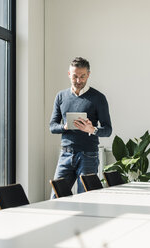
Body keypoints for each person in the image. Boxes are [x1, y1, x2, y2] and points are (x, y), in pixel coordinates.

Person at [50, 57, 112, 197]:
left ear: (88, 74)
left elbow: (108, 130)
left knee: (86, 199)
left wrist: (93, 130)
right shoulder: (61, 96)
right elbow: (52, 126)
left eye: (82, 76)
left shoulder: (98, 98)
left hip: (88, 156)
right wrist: (65, 127)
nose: (78, 81)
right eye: (75, 76)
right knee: (56, 197)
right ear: (69, 74)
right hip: (65, 155)